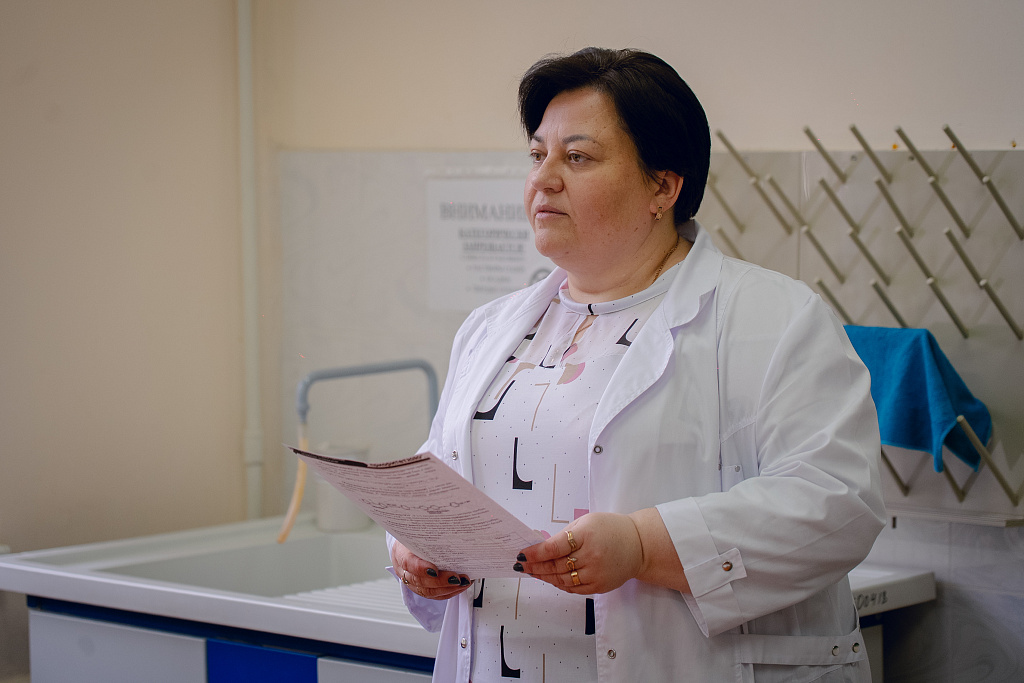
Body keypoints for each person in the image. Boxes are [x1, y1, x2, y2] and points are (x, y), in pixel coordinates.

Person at [389, 47, 885, 682]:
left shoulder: (774, 318)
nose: (544, 179)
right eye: (538, 155)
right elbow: (442, 477)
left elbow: (837, 502)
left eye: (577, 157)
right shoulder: (492, 329)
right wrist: (413, 548)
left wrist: (645, 545)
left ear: (663, 186)